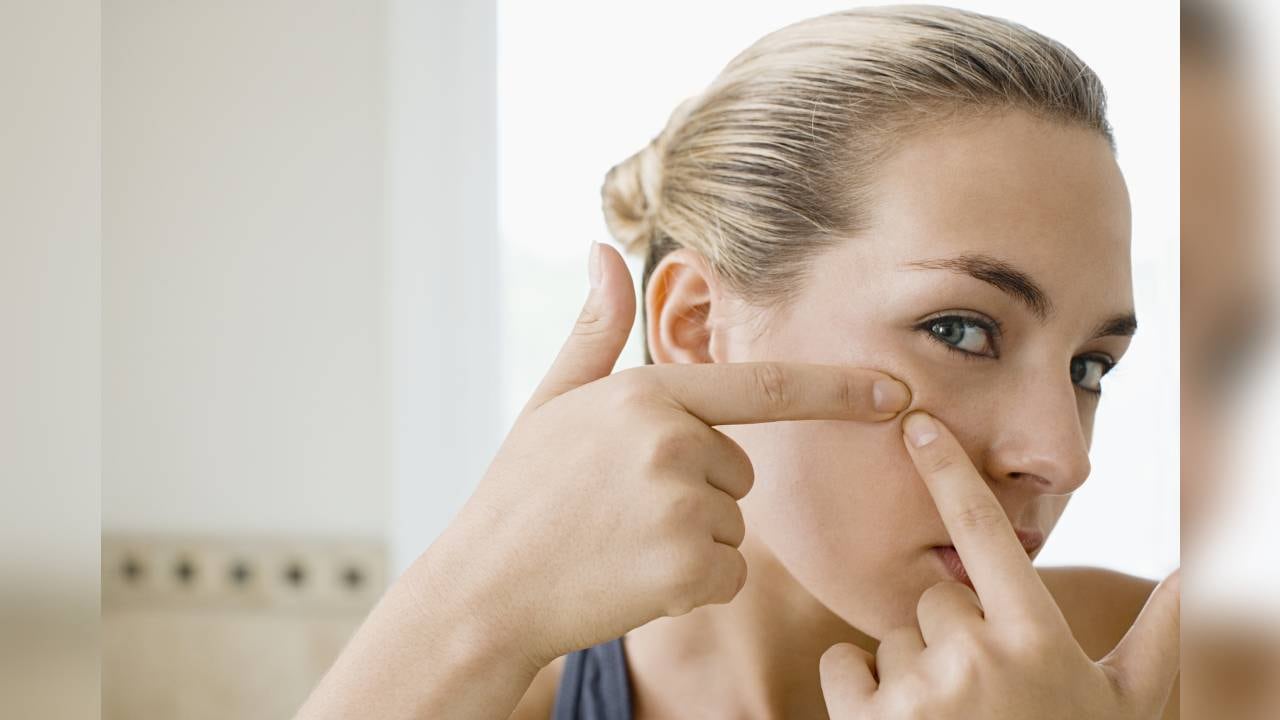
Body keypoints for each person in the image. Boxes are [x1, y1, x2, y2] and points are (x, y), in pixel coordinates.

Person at [295, 6, 1179, 719]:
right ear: (696, 324)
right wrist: (472, 595)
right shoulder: (497, 699)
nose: (1063, 457)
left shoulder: (1172, 668)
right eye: (961, 330)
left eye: (1088, 367)